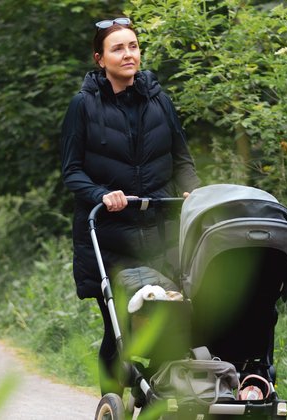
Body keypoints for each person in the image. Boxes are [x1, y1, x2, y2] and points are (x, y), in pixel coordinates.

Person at [59, 17, 200, 397]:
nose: (128, 54)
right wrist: (102, 194)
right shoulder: (83, 106)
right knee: (121, 322)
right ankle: (112, 398)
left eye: (133, 46)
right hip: (110, 237)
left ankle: (159, 391)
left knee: (170, 314)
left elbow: (182, 160)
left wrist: (193, 193)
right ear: (100, 59)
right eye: (118, 48)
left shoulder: (160, 101)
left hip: (161, 233)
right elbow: (71, 171)